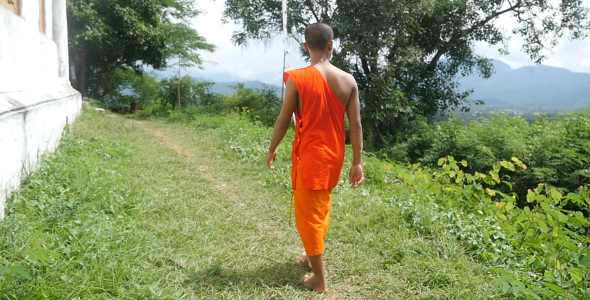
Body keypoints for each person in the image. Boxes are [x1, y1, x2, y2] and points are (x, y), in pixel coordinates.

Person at [265, 22, 364, 294]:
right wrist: (357, 161)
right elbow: (355, 126)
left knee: (309, 217)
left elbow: (284, 120)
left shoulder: (298, 78)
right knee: (320, 208)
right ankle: (311, 256)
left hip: (310, 157)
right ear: (331, 46)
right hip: (333, 156)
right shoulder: (349, 80)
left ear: (306, 47)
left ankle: (319, 281)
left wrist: (273, 146)